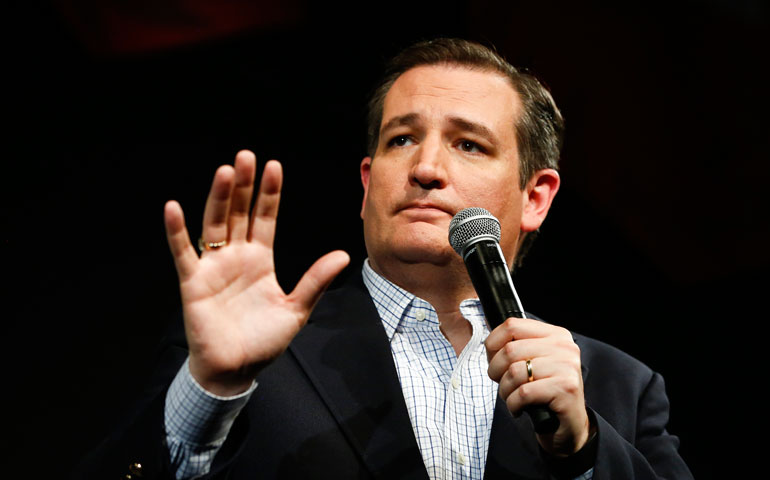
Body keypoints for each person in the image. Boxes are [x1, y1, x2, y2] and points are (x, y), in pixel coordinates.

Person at [74, 38, 692, 479]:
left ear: (535, 197)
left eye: (468, 144)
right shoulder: (246, 356)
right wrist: (208, 393)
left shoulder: (619, 389)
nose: (425, 168)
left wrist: (583, 453)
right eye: (401, 139)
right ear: (368, 182)